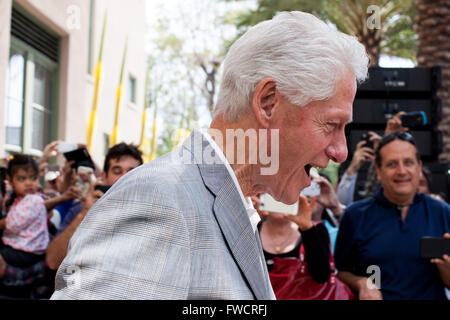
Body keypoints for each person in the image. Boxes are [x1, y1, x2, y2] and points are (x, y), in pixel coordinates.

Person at [51, 11, 368, 299]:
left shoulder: (219, 201)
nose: (341, 151)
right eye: (331, 124)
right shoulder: (161, 200)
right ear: (268, 101)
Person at [334, 132, 450, 300]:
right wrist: (362, 282)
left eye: (408, 163)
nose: (401, 171)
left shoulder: (442, 212)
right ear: (379, 171)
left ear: (419, 167)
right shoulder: (355, 216)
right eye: (392, 164)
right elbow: (341, 272)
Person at [45, 142, 143, 272]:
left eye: (132, 172)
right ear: (104, 176)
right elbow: (53, 262)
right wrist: (85, 213)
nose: (125, 177)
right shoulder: (81, 211)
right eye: (117, 171)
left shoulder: (149, 215)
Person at [0, 155, 49, 279]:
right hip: (23, 248)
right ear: (11, 181)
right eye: (22, 179)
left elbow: (13, 224)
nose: (28, 183)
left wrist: (2, 223)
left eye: (33, 178)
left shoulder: (34, 200)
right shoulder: (21, 200)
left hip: (28, 251)